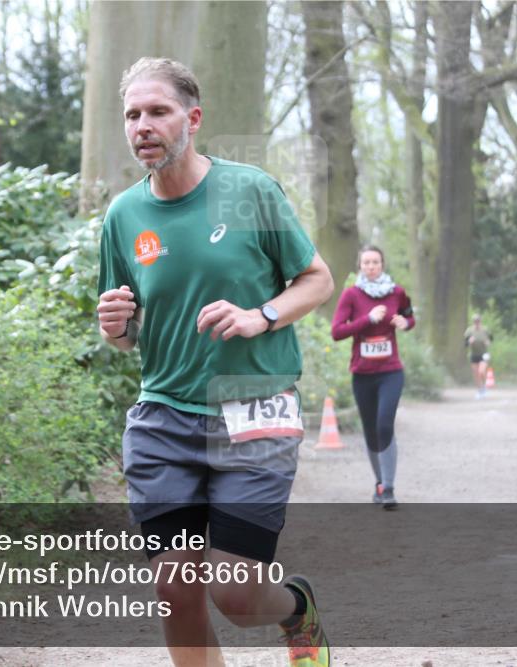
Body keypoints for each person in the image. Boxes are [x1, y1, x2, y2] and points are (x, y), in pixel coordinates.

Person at [97, 58, 335, 667]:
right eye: (132, 115)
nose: (143, 126)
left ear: (193, 118)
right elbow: (127, 335)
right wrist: (116, 328)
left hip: (254, 408)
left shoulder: (248, 191)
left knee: (236, 594)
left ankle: (296, 610)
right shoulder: (123, 215)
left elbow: (317, 279)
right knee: (176, 592)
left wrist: (262, 315)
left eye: (158, 111)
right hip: (163, 418)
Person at [330, 245, 415, 510]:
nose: (371, 266)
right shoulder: (351, 295)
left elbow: (409, 316)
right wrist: (367, 319)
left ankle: (389, 488)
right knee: (370, 430)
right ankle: (379, 483)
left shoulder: (397, 292)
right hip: (362, 374)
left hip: (391, 372)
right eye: (366, 262)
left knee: (384, 425)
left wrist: (406, 324)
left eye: (375, 262)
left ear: (382, 264)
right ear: (360, 266)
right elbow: (337, 332)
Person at [464, 314, 492, 398]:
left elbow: (491, 339)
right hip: (474, 354)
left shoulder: (485, 330)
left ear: (480, 321)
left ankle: (484, 386)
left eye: (478, 321)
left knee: (481, 371)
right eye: (475, 321)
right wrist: (469, 342)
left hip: (484, 354)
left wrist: (488, 342)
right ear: (473, 322)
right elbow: (465, 344)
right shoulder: (469, 331)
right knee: (476, 374)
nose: (476, 323)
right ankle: (480, 390)